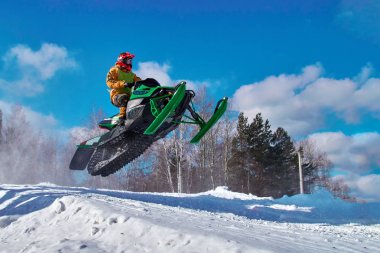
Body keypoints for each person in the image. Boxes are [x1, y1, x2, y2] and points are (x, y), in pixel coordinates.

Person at [106, 52, 141, 121]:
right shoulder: (114, 70)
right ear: (122, 60)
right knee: (124, 97)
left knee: (140, 98)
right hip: (116, 95)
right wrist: (123, 84)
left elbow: (140, 81)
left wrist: (146, 83)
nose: (130, 63)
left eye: (131, 61)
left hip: (130, 96)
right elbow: (109, 82)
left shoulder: (132, 75)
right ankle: (122, 119)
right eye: (128, 60)